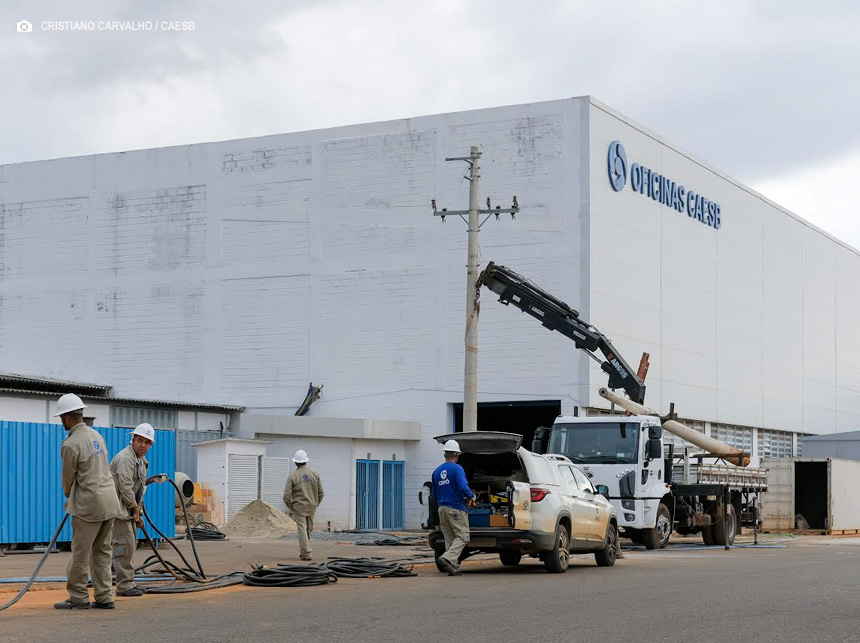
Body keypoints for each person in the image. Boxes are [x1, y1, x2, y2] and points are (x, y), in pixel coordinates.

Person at [54, 393, 123, 610]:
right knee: (103, 551)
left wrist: (70, 498)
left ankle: (78, 597)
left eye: (61, 418)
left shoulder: (71, 444)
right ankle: (104, 597)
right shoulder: (97, 436)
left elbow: (68, 481)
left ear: (66, 417)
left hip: (89, 505)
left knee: (81, 553)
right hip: (110, 502)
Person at [110, 423, 154, 597]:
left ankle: (126, 581)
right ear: (133, 439)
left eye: (147, 442)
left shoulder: (141, 461)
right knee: (124, 545)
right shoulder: (125, 459)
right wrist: (134, 510)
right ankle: (124, 585)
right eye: (140, 440)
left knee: (128, 544)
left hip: (127, 509)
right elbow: (126, 488)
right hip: (117, 509)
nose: (143, 445)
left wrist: (138, 512)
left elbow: (139, 489)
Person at [431, 439, 476, 576]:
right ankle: (447, 558)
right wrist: (471, 496)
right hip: (455, 507)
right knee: (463, 536)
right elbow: (463, 486)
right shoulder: (457, 469)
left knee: (450, 538)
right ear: (456, 454)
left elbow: (434, 493)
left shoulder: (436, 472)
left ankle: (452, 566)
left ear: (445, 454)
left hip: (442, 508)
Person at [283, 450, 324, 561]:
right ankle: (305, 550)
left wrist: (292, 507)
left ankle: (306, 552)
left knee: (302, 529)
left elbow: (286, 496)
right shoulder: (314, 474)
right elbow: (321, 493)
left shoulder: (293, 476)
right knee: (308, 529)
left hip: (299, 506)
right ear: (306, 461)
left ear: (295, 462)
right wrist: (315, 503)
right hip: (312, 506)